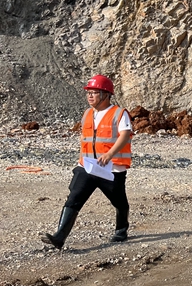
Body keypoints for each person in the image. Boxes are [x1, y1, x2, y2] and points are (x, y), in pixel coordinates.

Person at [41, 75, 132, 249]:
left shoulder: (119, 113)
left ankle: (121, 230)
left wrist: (110, 154)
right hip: (87, 166)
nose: (90, 95)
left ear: (106, 95)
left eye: (94, 92)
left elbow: (125, 135)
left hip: (112, 168)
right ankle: (59, 237)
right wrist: (81, 161)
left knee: (119, 201)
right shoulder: (87, 113)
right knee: (74, 197)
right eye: (88, 92)